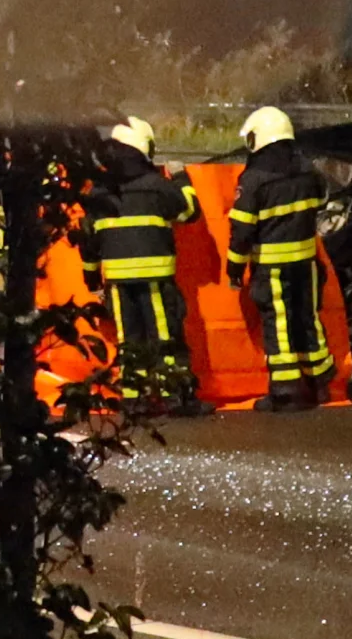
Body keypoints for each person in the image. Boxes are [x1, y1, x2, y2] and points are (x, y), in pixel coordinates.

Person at [81, 116, 201, 413]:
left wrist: (93, 282)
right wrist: (182, 178)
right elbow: (189, 212)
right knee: (164, 339)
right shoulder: (158, 187)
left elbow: (88, 243)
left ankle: (134, 401)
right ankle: (176, 400)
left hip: (118, 284)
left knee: (129, 341)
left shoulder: (98, 192)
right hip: (156, 281)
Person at [227, 105, 338, 406]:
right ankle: (320, 384)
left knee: (279, 325)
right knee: (308, 319)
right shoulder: (308, 170)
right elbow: (322, 200)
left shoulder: (254, 180)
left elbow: (242, 229)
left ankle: (286, 392)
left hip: (272, 266)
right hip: (305, 263)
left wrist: (234, 269)